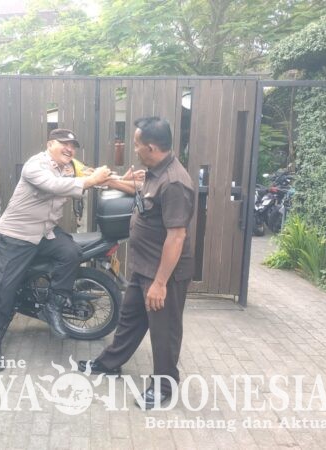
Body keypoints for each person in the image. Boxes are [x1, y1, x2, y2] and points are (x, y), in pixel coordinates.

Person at [78, 116, 195, 410]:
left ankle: (164, 386)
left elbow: (177, 237)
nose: (134, 149)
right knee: (130, 318)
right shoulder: (156, 172)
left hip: (163, 274)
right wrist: (111, 181)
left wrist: (160, 283)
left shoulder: (175, 183)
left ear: (151, 147)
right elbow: (140, 191)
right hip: (144, 267)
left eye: (137, 145)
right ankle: (110, 363)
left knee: (164, 331)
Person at [0, 128, 112, 371]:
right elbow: (55, 185)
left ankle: (53, 307)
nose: (69, 149)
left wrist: (125, 179)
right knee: (2, 289)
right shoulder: (35, 166)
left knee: (71, 253)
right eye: (64, 144)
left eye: (73, 146)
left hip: (45, 233)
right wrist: (93, 180)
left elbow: (97, 176)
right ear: (50, 144)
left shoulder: (70, 167)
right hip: (18, 235)